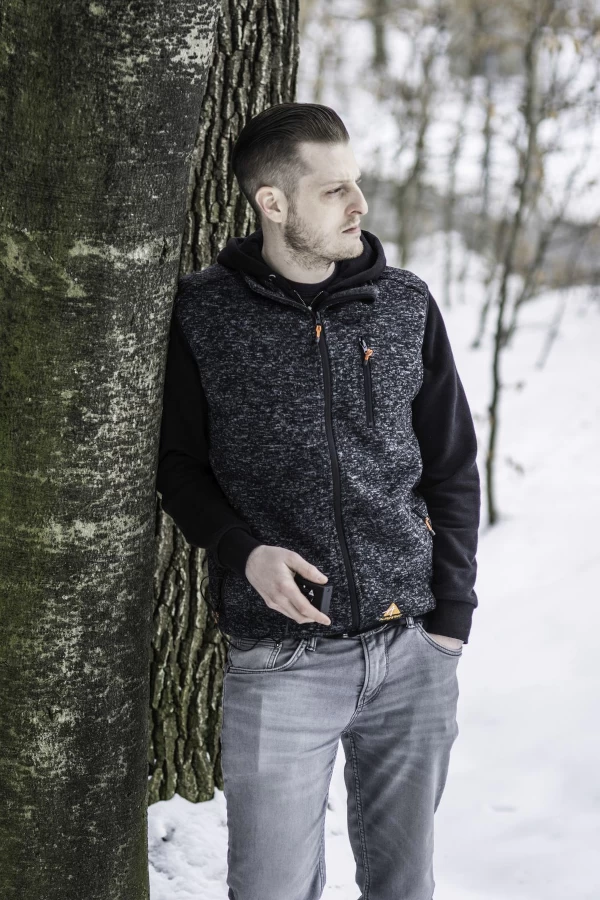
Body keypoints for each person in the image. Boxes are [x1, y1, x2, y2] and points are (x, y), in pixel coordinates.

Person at [156, 102, 480, 900]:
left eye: (356, 184)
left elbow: (451, 466)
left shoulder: (404, 305)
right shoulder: (203, 314)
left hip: (412, 650)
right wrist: (243, 552)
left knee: (404, 886)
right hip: (282, 659)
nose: (359, 204)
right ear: (272, 202)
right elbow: (179, 467)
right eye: (334, 190)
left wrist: (451, 619)